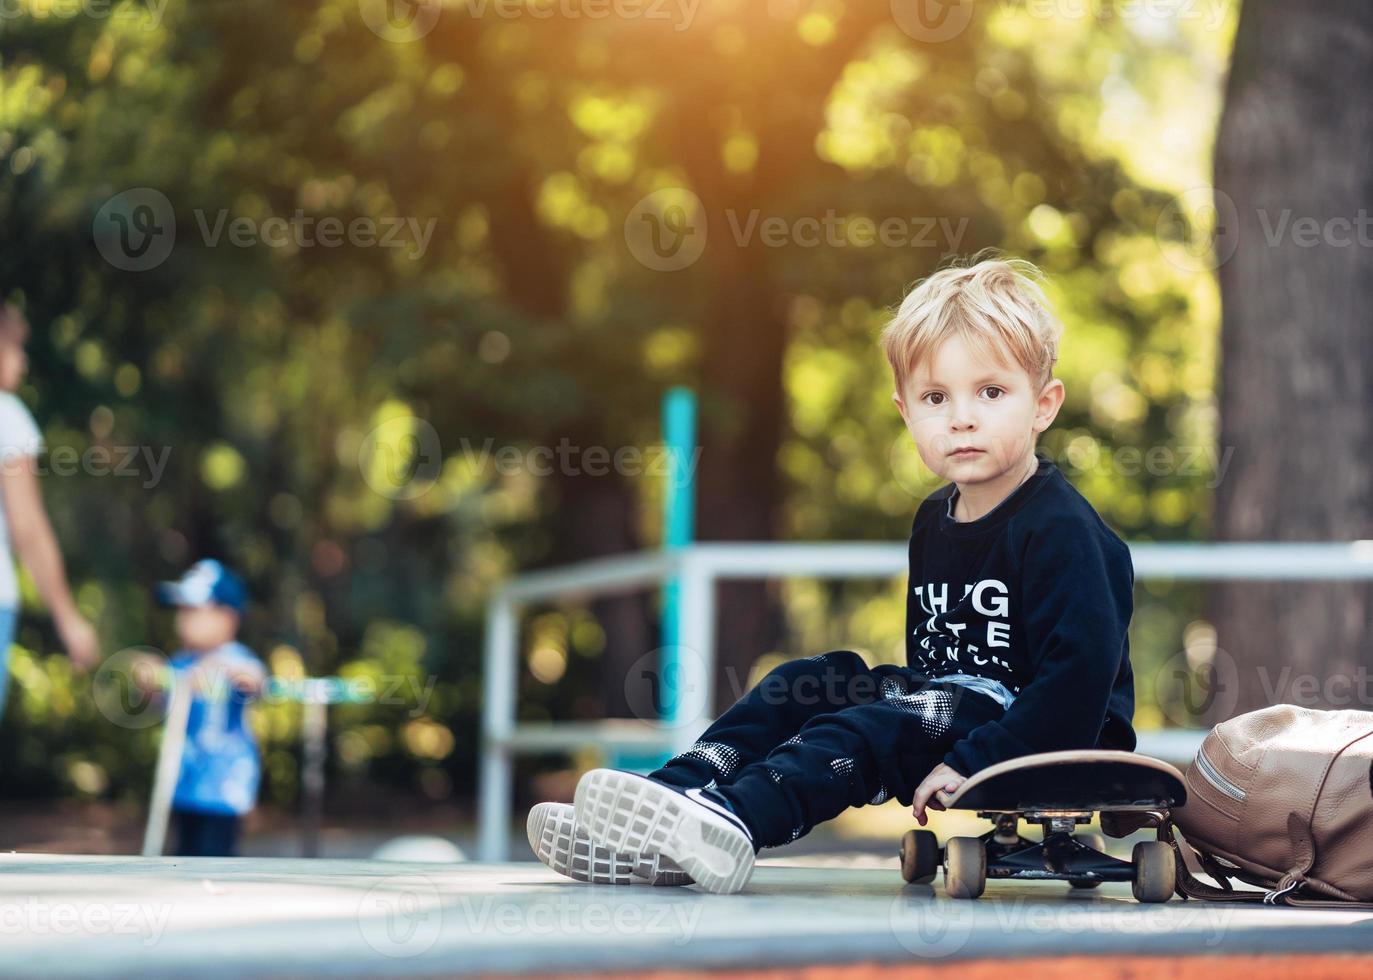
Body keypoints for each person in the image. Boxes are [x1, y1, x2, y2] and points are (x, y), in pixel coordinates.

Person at [529, 255, 1137, 894]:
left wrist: (973, 758)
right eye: (936, 397)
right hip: (951, 702)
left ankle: (736, 819)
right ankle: (672, 799)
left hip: (1042, 728)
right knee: (808, 681)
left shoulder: (1062, 529)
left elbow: (1079, 678)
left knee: (873, 723)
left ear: (1043, 406)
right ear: (906, 412)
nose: (961, 417)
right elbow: (933, 659)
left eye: (991, 392)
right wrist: (901, 701)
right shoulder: (936, 518)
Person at [0, 302, 99, 724]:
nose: (22, 361)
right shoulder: (7, 417)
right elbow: (28, 526)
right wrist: (68, 617)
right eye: (15, 348)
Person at [153, 559, 266, 857]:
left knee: (215, 861)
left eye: (193, 610)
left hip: (222, 791)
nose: (183, 619)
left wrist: (222, 670)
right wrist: (152, 685)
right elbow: (160, 706)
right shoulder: (179, 662)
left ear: (227, 617)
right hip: (183, 788)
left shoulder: (236, 658)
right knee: (183, 855)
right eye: (181, 611)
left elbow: (255, 680)